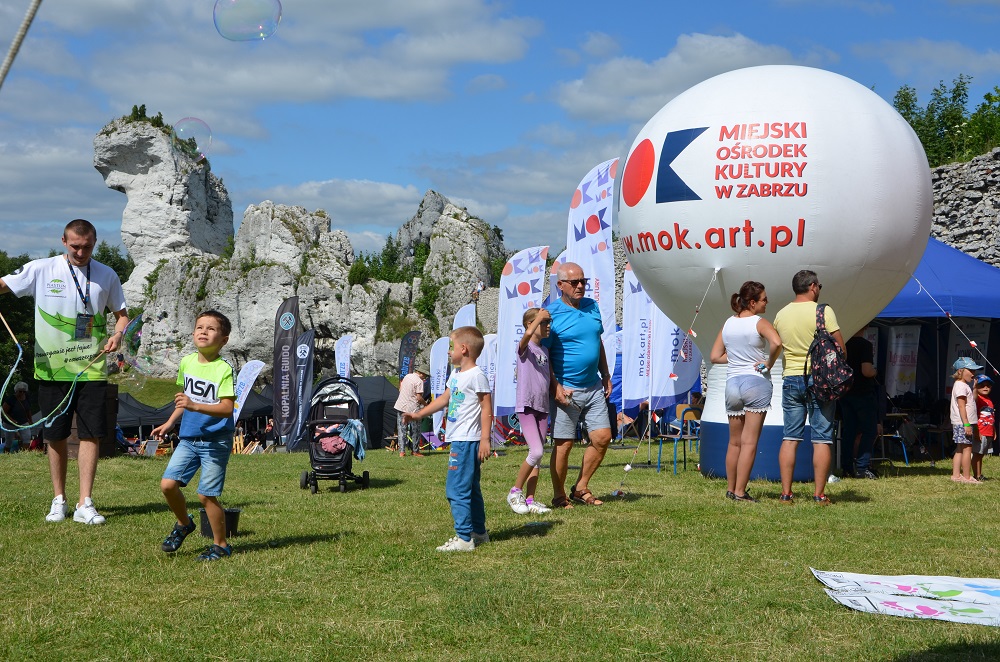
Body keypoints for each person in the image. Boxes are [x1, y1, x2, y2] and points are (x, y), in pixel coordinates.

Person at [0, 219, 128, 524]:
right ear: (63, 241)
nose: (81, 252)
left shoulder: (106, 274)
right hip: (51, 368)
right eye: (75, 246)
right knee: (55, 435)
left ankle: (86, 502)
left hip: (92, 367)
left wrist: (118, 334)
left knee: (91, 433)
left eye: (87, 246)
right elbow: (4, 285)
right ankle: (59, 499)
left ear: (94, 243)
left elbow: (122, 315)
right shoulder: (40, 269)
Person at [151, 311, 237, 561]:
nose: (204, 332)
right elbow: (183, 401)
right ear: (192, 334)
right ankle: (184, 523)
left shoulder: (224, 370)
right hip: (189, 438)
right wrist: (169, 423)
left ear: (224, 340)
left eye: (211, 329)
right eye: (200, 327)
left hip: (215, 441)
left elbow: (227, 409)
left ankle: (221, 545)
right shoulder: (187, 362)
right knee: (168, 485)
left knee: (205, 494)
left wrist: (194, 406)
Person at [404, 326, 492, 552]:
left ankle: (464, 538)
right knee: (471, 489)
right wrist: (418, 414)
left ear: (464, 349)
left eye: (451, 347)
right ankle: (479, 533)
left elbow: (486, 408)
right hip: (461, 440)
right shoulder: (456, 374)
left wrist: (485, 439)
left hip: (466, 442)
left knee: (456, 490)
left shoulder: (477, 376)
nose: (448, 352)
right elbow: (444, 398)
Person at [773, 270, 845, 506]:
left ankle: (786, 494)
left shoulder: (781, 314)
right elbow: (840, 348)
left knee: (790, 437)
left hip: (791, 378)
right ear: (813, 286)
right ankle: (819, 494)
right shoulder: (822, 311)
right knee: (822, 438)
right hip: (820, 379)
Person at [545, 261, 612, 508]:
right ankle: (559, 496)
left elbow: (598, 341)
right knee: (564, 445)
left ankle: (581, 487)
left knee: (603, 437)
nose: (581, 286)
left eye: (583, 281)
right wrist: (556, 387)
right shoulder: (551, 314)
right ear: (560, 285)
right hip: (567, 388)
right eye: (574, 282)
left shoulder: (592, 306)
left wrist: (605, 373)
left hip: (593, 386)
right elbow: (544, 357)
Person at [709, 281, 782, 503]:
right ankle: (741, 491)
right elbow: (777, 342)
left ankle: (731, 489)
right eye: (764, 299)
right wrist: (768, 363)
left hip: (732, 383)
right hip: (755, 382)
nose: (767, 302)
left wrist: (738, 358)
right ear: (752, 302)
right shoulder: (759, 323)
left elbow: (714, 356)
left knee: (734, 442)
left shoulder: (728, 323)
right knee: (750, 442)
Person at [506, 307, 553, 515]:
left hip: (543, 407)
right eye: (544, 322)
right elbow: (526, 336)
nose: (548, 326)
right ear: (530, 325)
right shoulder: (524, 347)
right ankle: (515, 491)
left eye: (548, 322)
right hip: (527, 406)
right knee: (536, 451)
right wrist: (538, 318)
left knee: (538, 457)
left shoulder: (545, 350)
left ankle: (531, 499)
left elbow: (549, 378)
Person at [840, 326, 879, 479]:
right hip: (862, 393)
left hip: (845, 392)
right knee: (869, 430)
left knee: (849, 430)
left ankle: (846, 467)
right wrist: (875, 372)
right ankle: (862, 467)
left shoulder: (844, 344)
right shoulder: (865, 345)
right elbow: (866, 370)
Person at [949, 357, 981, 484]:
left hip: (960, 423)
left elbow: (971, 401)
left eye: (974, 371)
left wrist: (974, 389)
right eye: (971, 370)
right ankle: (967, 477)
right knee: (967, 449)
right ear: (961, 371)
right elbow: (962, 406)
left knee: (960, 449)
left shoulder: (962, 385)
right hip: (963, 423)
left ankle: (956, 475)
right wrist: (966, 424)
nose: (973, 374)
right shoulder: (961, 386)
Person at [394, 366, 428, 457]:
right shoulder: (419, 381)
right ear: (421, 373)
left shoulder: (407, 376)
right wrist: (426, 405)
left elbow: (400, 389)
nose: (425, 378)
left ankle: (402, 451)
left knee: (402, 429)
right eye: (425, 375)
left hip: (400, 406)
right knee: (415, 430)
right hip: (413, 409)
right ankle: (415, 451)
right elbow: (419, 397)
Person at [2, 381, 33, 452]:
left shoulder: (27, 398)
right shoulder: (11, 399)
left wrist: (30, 420)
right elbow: (3, 412)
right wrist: (12, 420)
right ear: (16, 391)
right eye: (20, 391)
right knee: (9, 441)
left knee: (27, 437)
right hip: (9, 423)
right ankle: (6, 454)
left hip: (23, 421)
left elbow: (28, 410)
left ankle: (25, 454)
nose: (22, 393)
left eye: (24, 391)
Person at [973, 374, 993, 481]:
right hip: (980, 431)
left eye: (988, 386)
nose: (985, 388)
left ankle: (979, 474)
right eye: (982, 385)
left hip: (988, 432)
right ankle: (976, 475)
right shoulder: (978, 399)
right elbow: (974, 398)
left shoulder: (989, 400)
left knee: (981, 455)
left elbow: (991, 417)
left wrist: (994, 431)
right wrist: (976, 431)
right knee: (977, 454)